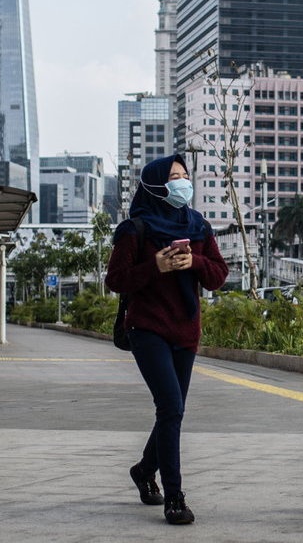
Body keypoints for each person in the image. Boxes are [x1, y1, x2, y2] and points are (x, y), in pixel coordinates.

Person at [105, 154, 228, 525]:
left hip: (186, 331)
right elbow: (116, 280)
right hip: (148, 329)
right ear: (156, 184)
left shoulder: (199, 226)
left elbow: (218, 276)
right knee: (171, 408)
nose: (182, 183)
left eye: (185, 176)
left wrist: (195, 263)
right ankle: (174, 496)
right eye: (173, 177)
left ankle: (144, 470)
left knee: (172, 412)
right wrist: (154, 266)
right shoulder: (135, 229)